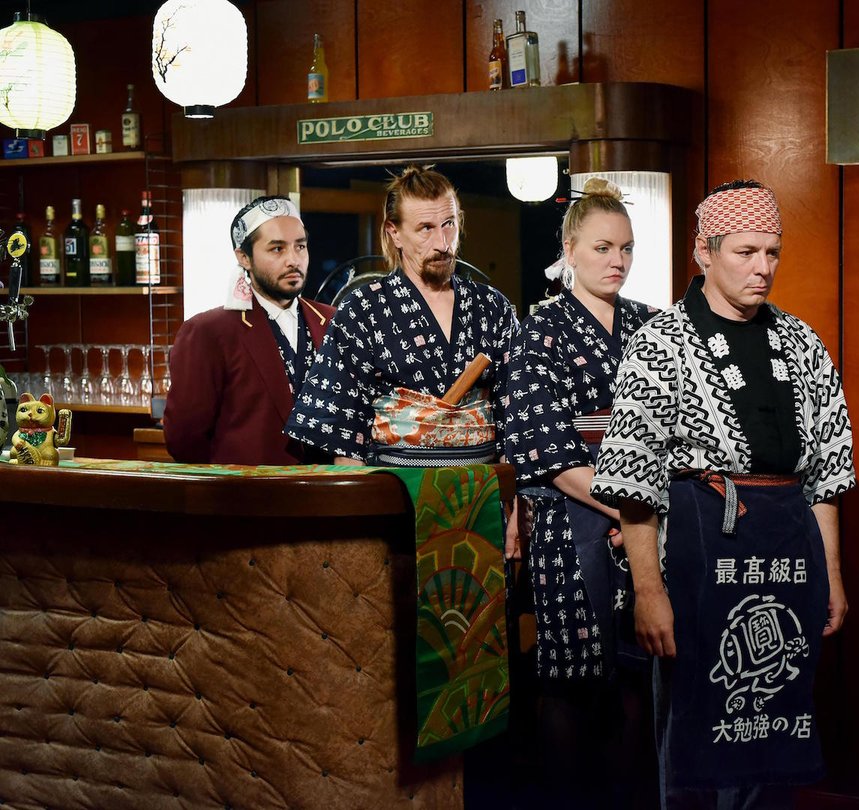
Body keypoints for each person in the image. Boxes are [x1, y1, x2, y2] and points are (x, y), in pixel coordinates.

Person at [591, 180, 855, 807]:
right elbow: (633, 481)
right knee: (693, 737)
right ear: (704, 253)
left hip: (786, 560)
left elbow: (827, 476)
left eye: (772, 252)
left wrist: (832, 576)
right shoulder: (660, 342)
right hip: (698, 561)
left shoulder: (802, 343)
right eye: (745, 252)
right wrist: (649, 593)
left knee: (774, 728)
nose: (763, 268)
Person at [502, 178, 658, 807]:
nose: (617, 261)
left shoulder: (651, 325)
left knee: (638, 672)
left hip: (642, 519)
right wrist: (634, 508)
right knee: (571, 678)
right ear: (569, 250)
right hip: (571, 518)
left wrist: (644, 515)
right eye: (602, 248)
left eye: (626, 248)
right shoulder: (539, 330)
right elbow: (551, 453)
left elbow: (669, 432)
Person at [286, 165, 517, 466]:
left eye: (449, 224)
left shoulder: (492, 306)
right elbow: (343, 429)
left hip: (482, 483)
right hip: (394, 482)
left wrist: (510, 492)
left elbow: (515, 415)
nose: (443, 243)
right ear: (394, 233)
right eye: (426, 228)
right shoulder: (363, 309)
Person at [164, 196, 334, 465]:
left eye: (300, 246)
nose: (293, 260)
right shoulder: (210, 331)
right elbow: (184, 438)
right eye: (277, 249)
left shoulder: (333, 321)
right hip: (247, 488)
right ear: (244, 257)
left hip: (326, 485)